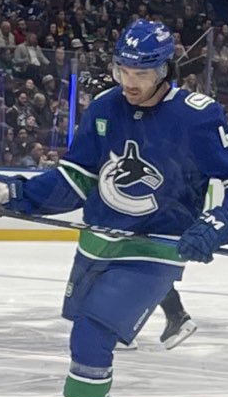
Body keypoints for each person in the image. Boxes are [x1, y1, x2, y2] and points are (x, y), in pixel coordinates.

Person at [0, 19, 228, 397]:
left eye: (141, 73)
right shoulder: (106, 106)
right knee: (84, 342)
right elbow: (76, 178)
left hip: (153, 252)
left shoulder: (197, 117)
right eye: (122, 70)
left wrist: (217, 225)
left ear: (164, 71)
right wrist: (16, 195)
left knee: (91, 338)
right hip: (98, 244)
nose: (129, 81)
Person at [79, 70, 199, 351]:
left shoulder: (117, 110)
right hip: (132, 202)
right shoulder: (123, 111)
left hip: (137, 206)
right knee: (134, 264)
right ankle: (172, 317)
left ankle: (130, 322)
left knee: (129, 264)